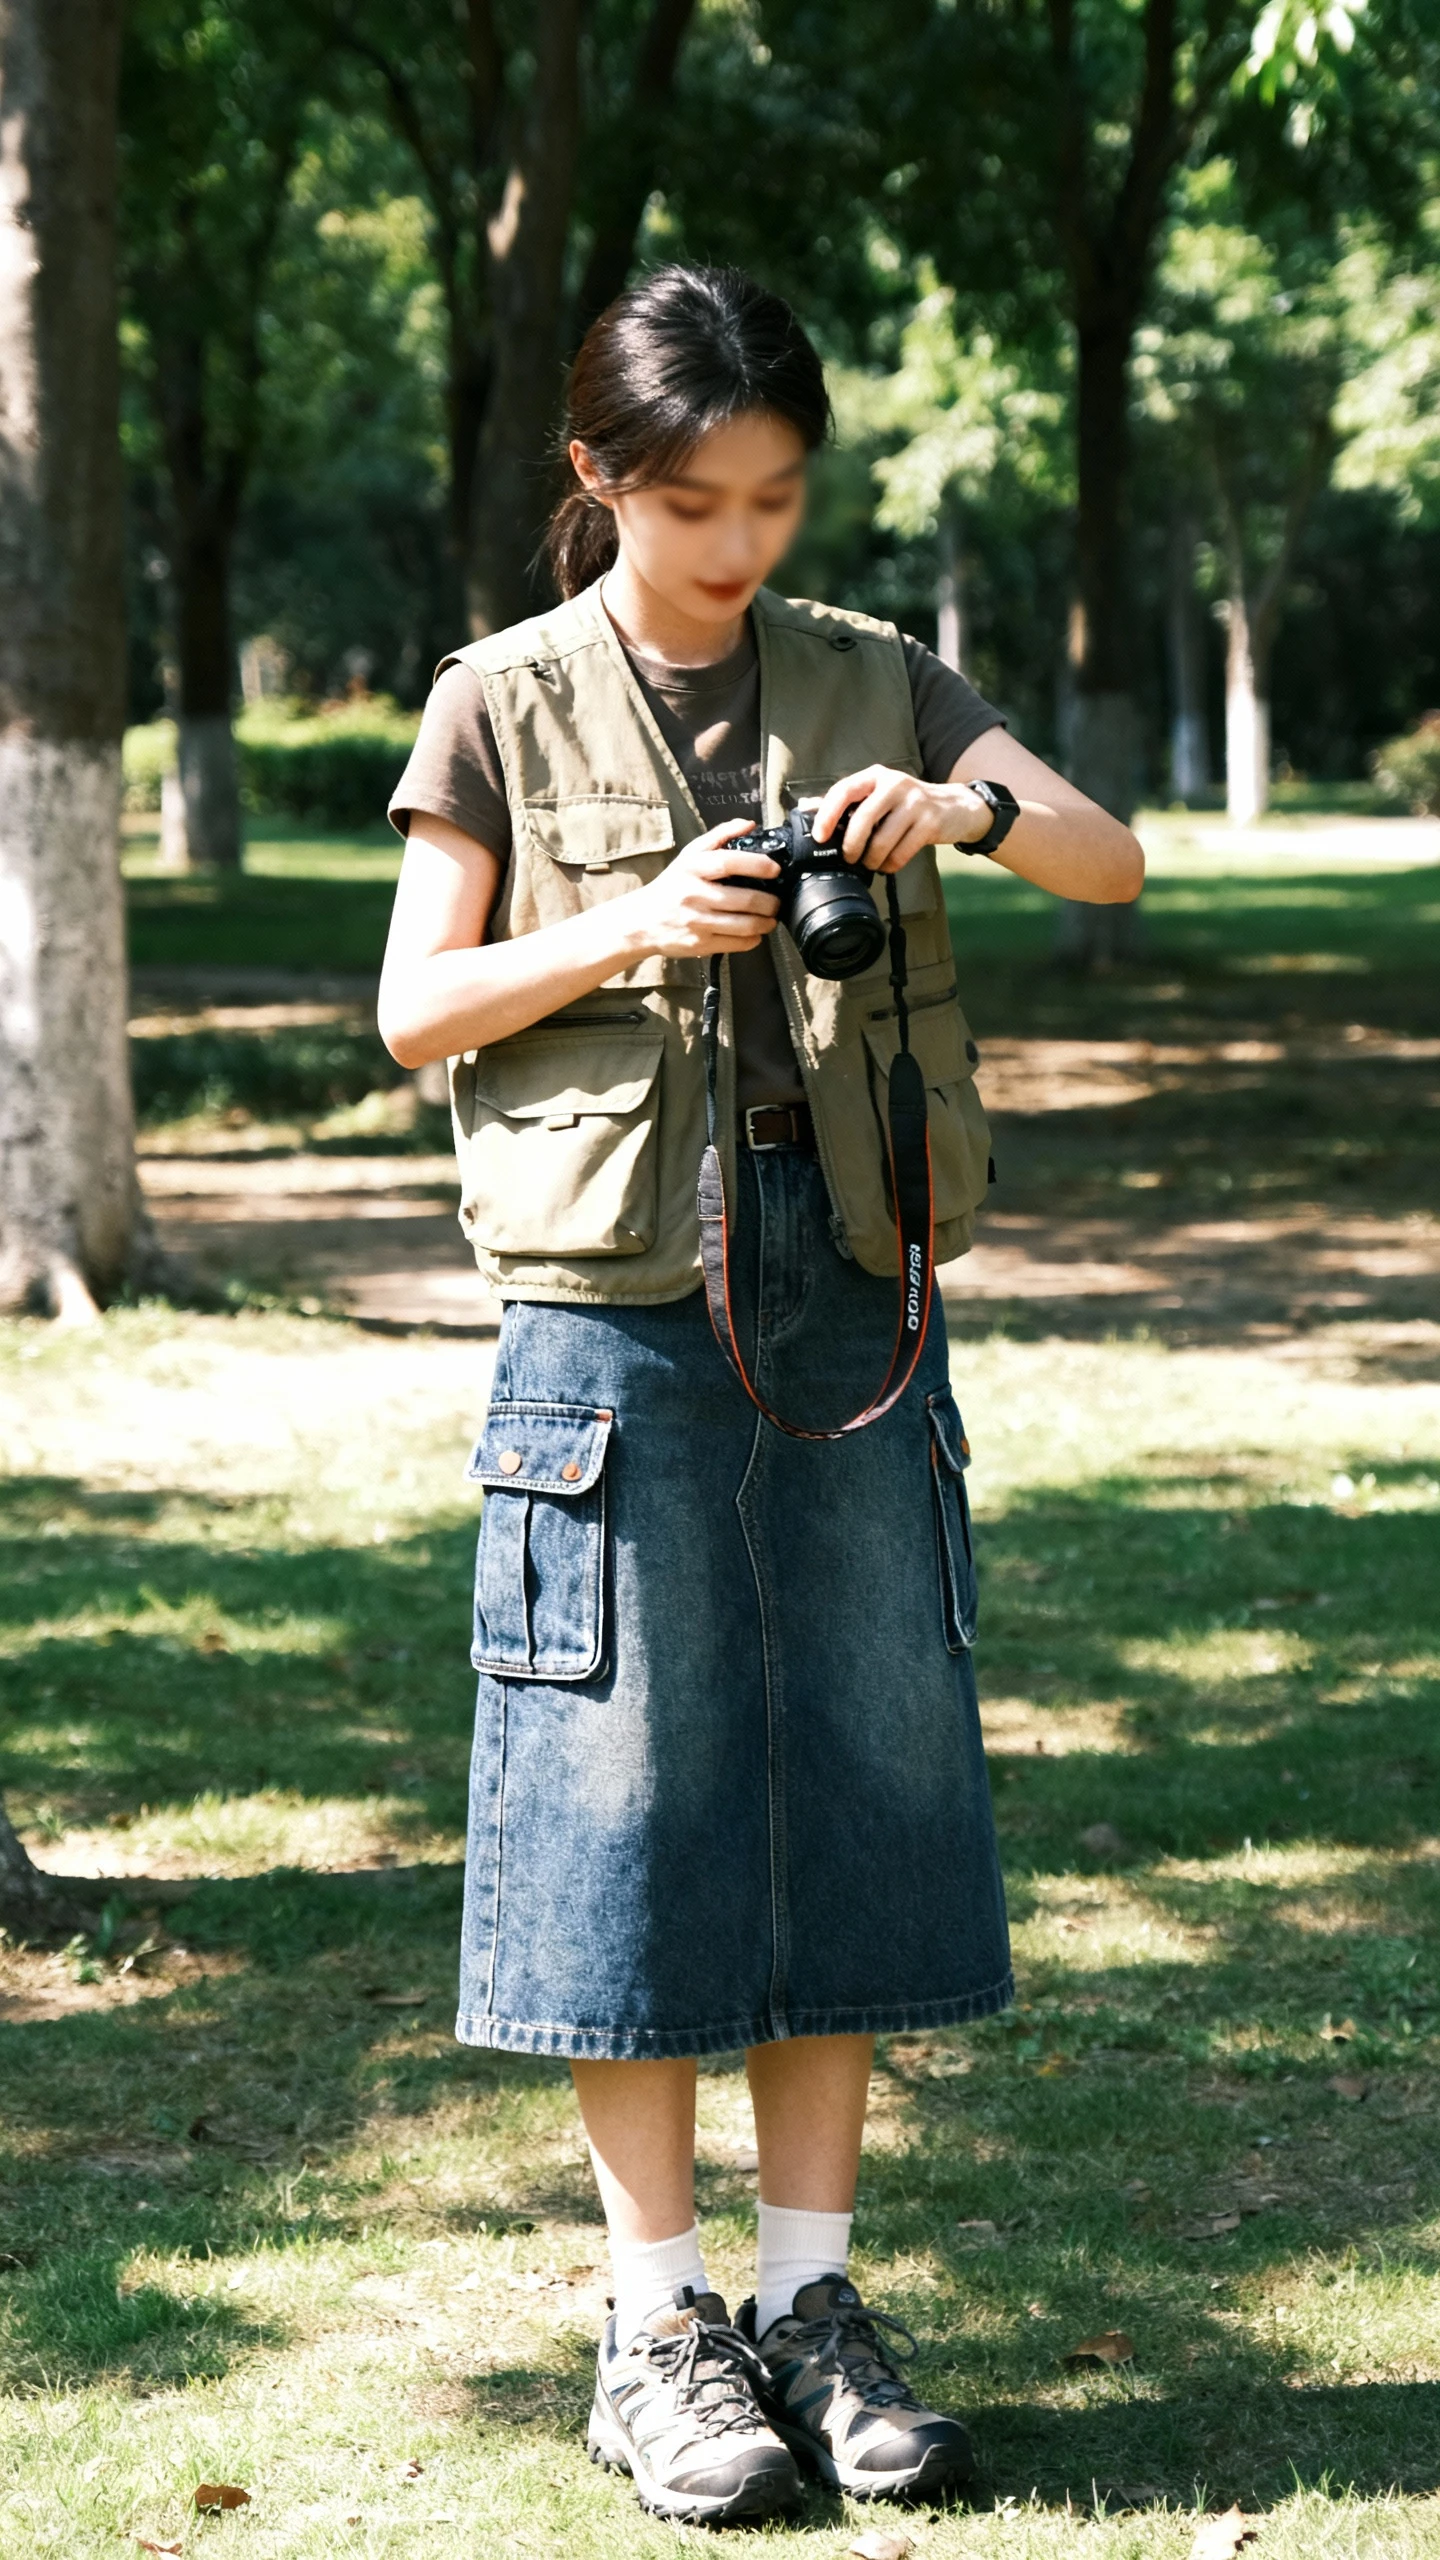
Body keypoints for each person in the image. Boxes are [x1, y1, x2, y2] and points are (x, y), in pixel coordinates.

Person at [378, 264, 1143, 2529]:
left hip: (853, 1298)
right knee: (633, 1801)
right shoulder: (500, 703)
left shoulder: (877, 672)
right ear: (599, 478)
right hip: (612, 1320)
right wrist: (633, 927)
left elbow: (1112, 851)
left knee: (860, 1782)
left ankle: (815, 2303)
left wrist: (972, 813)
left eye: (779, 496)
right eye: (696, 499)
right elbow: (418, 1005)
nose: (739, 543)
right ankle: (656, 2319)